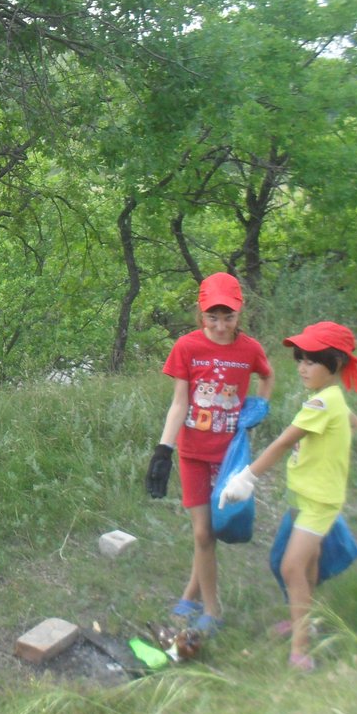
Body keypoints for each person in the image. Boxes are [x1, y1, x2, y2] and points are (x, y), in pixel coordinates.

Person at [219, 321, 357, 671]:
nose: (302, 367)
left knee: (291, 565)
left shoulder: (319, 406)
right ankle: (305, 620)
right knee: (309, 564)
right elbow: (353, 420)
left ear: (335, 364)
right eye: (300, 359)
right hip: (307, 496)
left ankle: (301, 649)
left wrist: (246, 478)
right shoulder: (330, 400)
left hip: (318, 502)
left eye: (312, 361)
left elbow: (283, 442)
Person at [146, 272, 274, 637]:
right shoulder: (186, 347)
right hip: (192, 454)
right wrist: (163, 450)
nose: (220, 326)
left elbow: (267, 374)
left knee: (215, 530)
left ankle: (191, 593)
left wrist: (259, 406)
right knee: (203, 533)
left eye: (228, 317)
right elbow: (179, 402)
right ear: (201, 314)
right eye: (212, 317)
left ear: (239, 313)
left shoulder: (249, 349)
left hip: (230, 455)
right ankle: (212, 609)